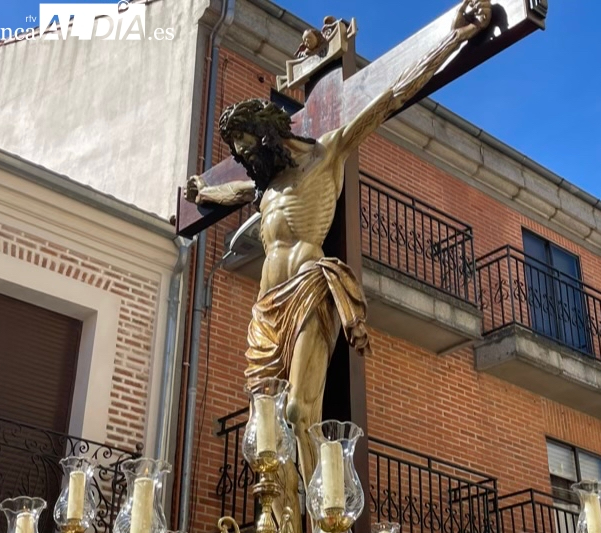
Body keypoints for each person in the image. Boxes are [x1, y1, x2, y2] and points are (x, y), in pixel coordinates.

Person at [186, 0, 491, 524]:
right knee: (267, 429)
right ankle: (277, 516)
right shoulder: (264, 188)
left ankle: (320, 517)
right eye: (237, 151)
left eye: (247, 144)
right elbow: (228, 191)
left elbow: (393, 94)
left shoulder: (328, 152)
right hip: (266, 311)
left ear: (270, 131)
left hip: (308, 286)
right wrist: (199, 193)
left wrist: (455, 37)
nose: (244, 156)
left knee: (300, 411)